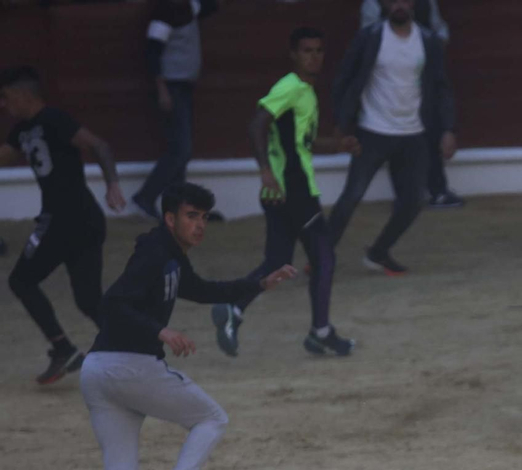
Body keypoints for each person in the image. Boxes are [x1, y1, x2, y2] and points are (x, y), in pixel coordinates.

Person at [63, 182, 296, 470]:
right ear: (170, 219)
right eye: (191, 216)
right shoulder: (154, 252)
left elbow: (202, 290)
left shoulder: (170, 256)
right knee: (212, 418)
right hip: (130, 366)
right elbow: (112, 303)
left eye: (204, 217)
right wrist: (161, 332)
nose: (200, 224)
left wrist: (257, 285)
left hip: (98, 372)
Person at [211, 28, 355, 359]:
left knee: (277, 262)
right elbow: (256, 124)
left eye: (319, 50)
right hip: (293, 189)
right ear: (293, 54)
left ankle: (234, 307)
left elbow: (302, 143)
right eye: (307, 50)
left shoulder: (305, 91)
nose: (314, 56)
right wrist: (264, 170)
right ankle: (320, 332)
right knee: (324, 256)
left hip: (282, 191)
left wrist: (337, 144)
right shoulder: (290, 87)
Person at [1, 65, 124, 385]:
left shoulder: (55, 118)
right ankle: (135, 349)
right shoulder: (20, 130)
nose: (3, 105)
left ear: (20, 95)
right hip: (83, 218)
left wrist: (113, 184)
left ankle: (63, 348)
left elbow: (100, 145)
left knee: (21, 281)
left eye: (5, 97)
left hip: (62, 220)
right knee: (87, 299)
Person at [329, 0, 458, 277]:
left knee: (413, 201)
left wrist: (448, 128)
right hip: (372, 130)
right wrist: (342, 123)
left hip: (413, 134)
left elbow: (441, 86)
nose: (399, 4)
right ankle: (322, 254)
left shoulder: (428, 40)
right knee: (351, 196)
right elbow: (345, 78)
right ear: (384, 4)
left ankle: (379, 252)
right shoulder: (369, 37)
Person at [359, 0, 465, 208]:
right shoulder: (373, 3)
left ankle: (436, 190)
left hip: (422, 73)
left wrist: (429, 47)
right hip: (389, 78)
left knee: (430, 128)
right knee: (395, 132)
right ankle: (406, 193)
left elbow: (440, 32)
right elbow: (367, 38)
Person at [131, 0, 217, 221]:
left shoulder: (188, 6)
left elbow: (211, 6)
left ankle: (178, 208)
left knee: (180, 152)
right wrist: (161, 90)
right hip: (171, 87)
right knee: (181, 150)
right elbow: (152, 51)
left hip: (183, 86)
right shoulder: (166, 10)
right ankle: (146, 196)